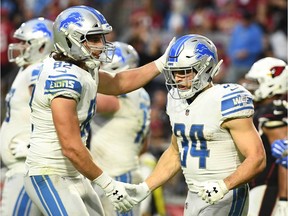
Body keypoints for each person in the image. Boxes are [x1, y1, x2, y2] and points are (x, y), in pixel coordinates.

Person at [23, 5, 174, 215]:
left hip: (74, 172)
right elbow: (70, 147)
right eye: (94, 38)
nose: (101, 45)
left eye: (101, 38)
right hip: (50, 172)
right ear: (69, 40)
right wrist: (109, 184)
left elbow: (119, 83)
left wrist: (160, 63)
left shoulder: (80, 68)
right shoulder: (63, 78)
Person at [120, 34, 266, 215]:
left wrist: (224, 185)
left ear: (205, 68)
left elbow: (257, 158)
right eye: (174, 72)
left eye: (184, 71)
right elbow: (175, 152)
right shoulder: (176, 101)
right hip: (194, 195)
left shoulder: (226, 99)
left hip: (226, 194)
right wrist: (145, 187)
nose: (178, 78)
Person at [90, 41, 152, 216]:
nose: (98, 65)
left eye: (102, 62)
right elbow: (145, 143)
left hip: (117, 176)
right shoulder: (142, 93)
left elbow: (88, 101)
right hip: (124, 170)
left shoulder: (121, 91)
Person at [0, 17, 54, 215]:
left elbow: (52, 113)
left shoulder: (37, 71)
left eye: (24, 42)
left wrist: (33, 146)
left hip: (27, 169)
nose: (18, 46)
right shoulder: (29, 70)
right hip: (25, 167)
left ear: (42, 46)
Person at [242, 57, 288, 216]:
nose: (250, 87)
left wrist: (284, 199)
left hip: (268, 186)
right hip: (256, 185)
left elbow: (285, 157)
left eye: (256, 82)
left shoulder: (274, 112)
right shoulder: (263, 110)